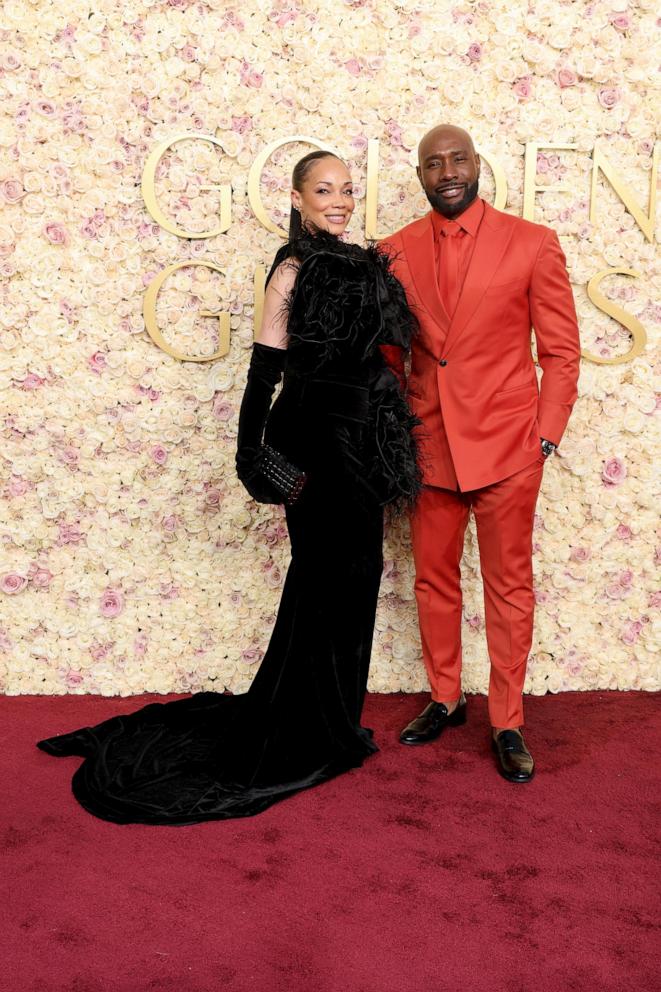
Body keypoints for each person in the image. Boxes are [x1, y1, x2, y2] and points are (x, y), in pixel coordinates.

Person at [36, 150, 420, 824]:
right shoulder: (292, 266)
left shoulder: (363, 263)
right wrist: (251, 452)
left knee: (355, 579)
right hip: (311, 442)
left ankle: (329, 724)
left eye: (345, 190)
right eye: (322, 190)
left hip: (360, 440)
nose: (337, 200)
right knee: (323, 580)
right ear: (298, 199)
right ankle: (306, 735)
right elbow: (264, 368)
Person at [379, 125, 581, 782]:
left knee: (507, 587)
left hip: (507, 448)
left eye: (457, 159)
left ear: (475, 165)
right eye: (432, 164)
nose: (447, 172)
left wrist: (543, 433)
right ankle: (444, 698)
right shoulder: (393, 252)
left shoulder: (532, 243)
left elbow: (559, 350)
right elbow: (386, 357)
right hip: (429, 448)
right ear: (419, 175)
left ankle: (506, 719)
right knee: (433, 581)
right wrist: (393, 437)